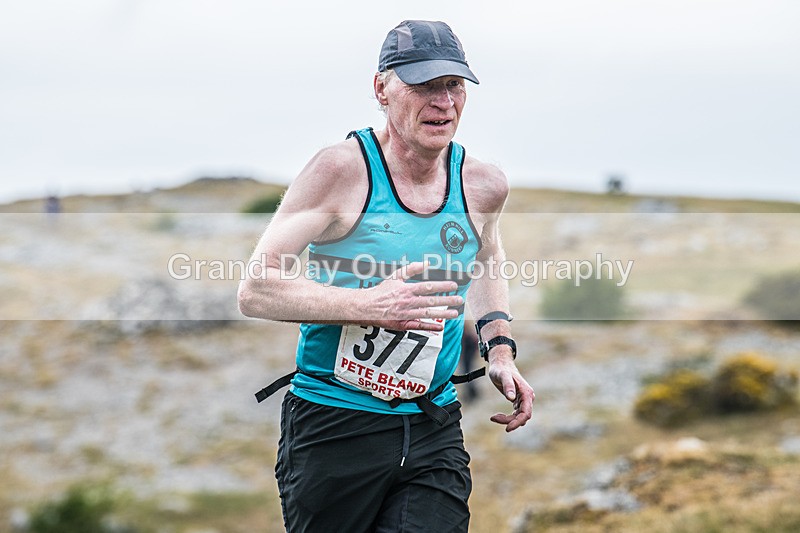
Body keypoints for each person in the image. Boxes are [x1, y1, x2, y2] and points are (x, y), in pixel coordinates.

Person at [238, 20, 534, 532]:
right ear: (382, 88)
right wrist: (369, 306)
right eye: (423, 85)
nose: (443, 103)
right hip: (334, 426)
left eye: (454, 85)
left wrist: (500, 351)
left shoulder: (483, 185)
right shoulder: (340, 172)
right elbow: (256, 289)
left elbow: (486, 259)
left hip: (432, 423)